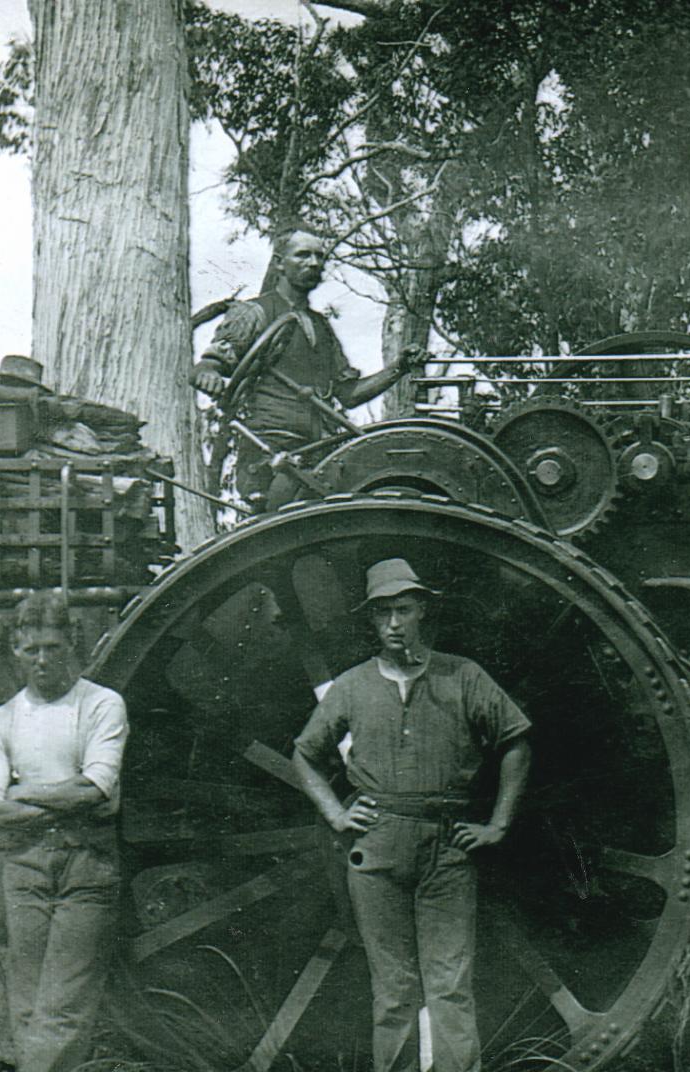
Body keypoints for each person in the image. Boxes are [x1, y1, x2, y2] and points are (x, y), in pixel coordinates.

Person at [290, 558, 532, 1072]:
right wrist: (335, 815)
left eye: (404, 609)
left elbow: (516, 741)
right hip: (377, 850)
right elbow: (305, 754)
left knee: (450, 986)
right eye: (383, 614)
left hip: (447, 850)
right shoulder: (352, 687)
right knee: (394, 990)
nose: (395, 623)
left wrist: (499, 824)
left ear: (423, 611)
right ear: (372, 622)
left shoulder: (463, 676)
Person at [0, 591, 128, 1072]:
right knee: (25, 1005)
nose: (42, 660)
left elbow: (96, 791)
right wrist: (63, 799)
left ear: (72, 644)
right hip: (23, 869)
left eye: (53, 646)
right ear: (15, 653)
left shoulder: (102, 705)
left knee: (63, 1007)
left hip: (86, 866)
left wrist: (22, 795)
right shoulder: (2, 721)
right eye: (31, 650)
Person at [191, 223, 422, 507]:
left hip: (321, 452)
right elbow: (209, 364)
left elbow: (348, 394)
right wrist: (209, 374)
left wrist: (399, 368)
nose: (313, 263)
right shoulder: (254, 313)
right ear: (279, 264)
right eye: (302, 255)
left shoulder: (321, 327)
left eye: (318, 256)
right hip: (270, 452)